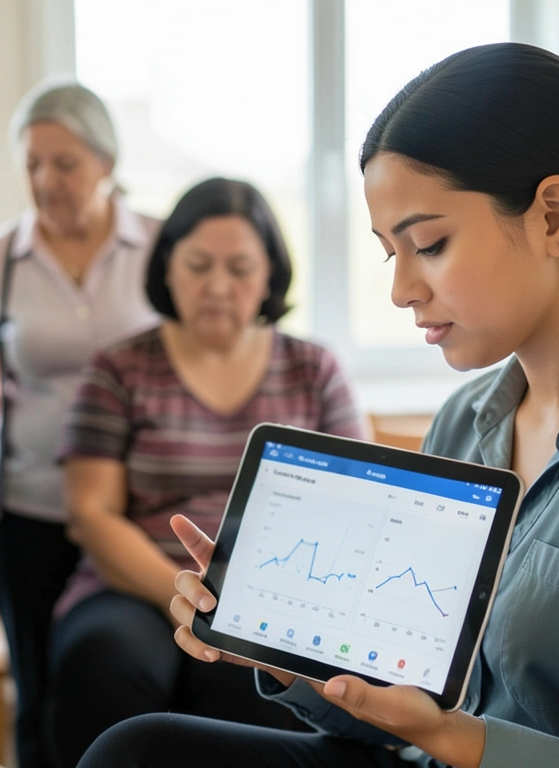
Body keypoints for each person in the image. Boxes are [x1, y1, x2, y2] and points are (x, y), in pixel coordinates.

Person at [79, 43, 559, 768]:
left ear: (556, 217)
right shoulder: (468, 420)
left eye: (428, 244)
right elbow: (409, 709)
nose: (402, 289)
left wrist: (462, 743)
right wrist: (277, 646)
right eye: (388, 253)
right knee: (135, 749)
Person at [44, 177, 365, 767]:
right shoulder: (118, 368)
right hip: (134, 587)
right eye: (198, 265)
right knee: (106, 660)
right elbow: (91, 514)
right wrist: (192, 594)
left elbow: (355, 511)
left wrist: (240, 606)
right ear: (166, 267)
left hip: (271, 599)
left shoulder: (314, 370)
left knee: (254, 683)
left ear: (271, 275)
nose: (218, 286)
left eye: (241, 268)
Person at [0, 80, 160, 768]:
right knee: (37, 684)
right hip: (30, 506)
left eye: (64, 163)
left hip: (138, 510)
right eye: (32, 162)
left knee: (126, 677)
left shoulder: (160, 245)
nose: (46, 180)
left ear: (104, 161)